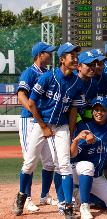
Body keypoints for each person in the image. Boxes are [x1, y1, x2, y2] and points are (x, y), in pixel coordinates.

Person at [13, 42, 85, 218]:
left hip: (61, 126)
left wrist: (70, 132)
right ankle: (22, 196)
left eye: (76, 56)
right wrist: (44, 127)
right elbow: (31, 102)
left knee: (64, 165)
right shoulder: (47, 77)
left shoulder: (77, 82)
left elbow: (73, 111)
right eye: (72, 56)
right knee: (29, 163)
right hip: (40, 123)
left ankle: (67, 205)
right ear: (62, 60)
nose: (75, 59)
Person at [16, 42, 57, 213]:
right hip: (29, 120)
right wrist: (33, 111)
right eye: (48, 52)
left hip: (45, 121)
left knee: (49, 162)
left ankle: (44, 195)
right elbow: (21, 95)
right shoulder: (29, 72)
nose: (51, 55)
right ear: (40, 54)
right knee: (30, 161)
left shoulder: (48, 74)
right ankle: (26, 199)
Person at [71, 96, 107, 219]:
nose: (99, 113)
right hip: (77, 172)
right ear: (92, 112)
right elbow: (72, 154)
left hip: (96, 176)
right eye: (96, 109)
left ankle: (81, 195)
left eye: (102, 109)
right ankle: (84, 205)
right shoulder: (84, 127)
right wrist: (77, 139)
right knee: (88, 166)